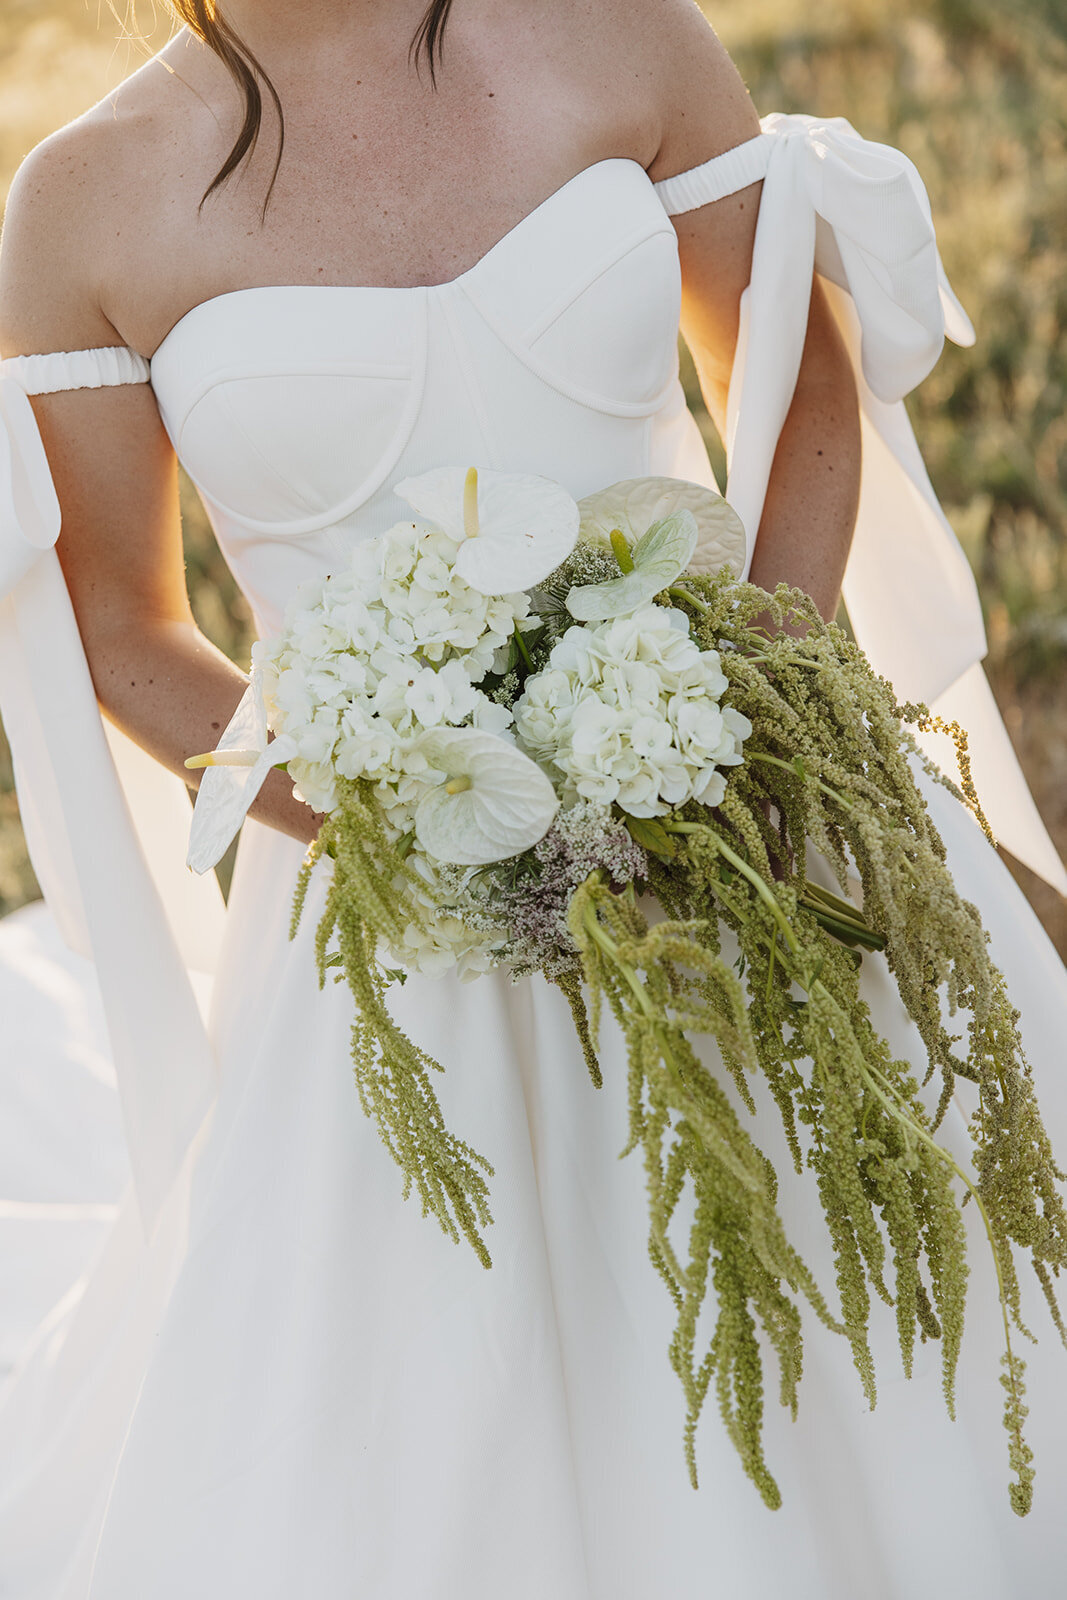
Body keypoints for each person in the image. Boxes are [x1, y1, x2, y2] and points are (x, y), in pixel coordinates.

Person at [0, 1, 1065, 1594]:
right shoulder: (85, 199)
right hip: (404, 896)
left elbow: (791, 384)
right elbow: (121, 622)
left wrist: (740, 713)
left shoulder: (619, 32)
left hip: (751, 791)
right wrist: (409, 827)